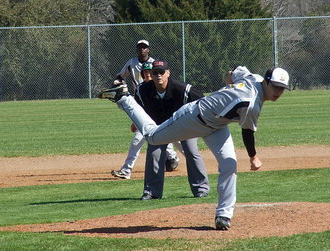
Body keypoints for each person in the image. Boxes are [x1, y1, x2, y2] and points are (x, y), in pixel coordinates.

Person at [98, 65, 290, 230]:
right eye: (275, 86)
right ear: (265, 82)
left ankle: (223, 215)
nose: (278, 92)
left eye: (282, 88)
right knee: (154, 138)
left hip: (217, 126)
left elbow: (235, 71)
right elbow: (247, 133)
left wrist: (229, 79)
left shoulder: (254, 78)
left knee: (229, 164)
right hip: (193, 117)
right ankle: (123, 97)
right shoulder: (251, 104)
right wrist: (253, 157)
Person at [134, 60, 209, 200]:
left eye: (161, 72)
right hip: (160, 125)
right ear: (150, 74)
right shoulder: (142, 90)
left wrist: (200, 122)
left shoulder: (183, 89)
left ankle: (201, 189)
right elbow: (138, 107)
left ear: (168, 73)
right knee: (154, 151)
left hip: (185, 124)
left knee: (191, 150)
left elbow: (203, 101)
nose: (158, 75)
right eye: (155, 72)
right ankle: (151, 192)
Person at [111, 40, 180, 180]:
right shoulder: (141, 90)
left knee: (177, 140)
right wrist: (136, 121)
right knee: (139, 140)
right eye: (146, 73)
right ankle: (126, 170)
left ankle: (175, 158)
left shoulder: (160, 85)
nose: (150, 75)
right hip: (149, 119)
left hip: (164, 118)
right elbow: (138, 108)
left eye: (152, 72)